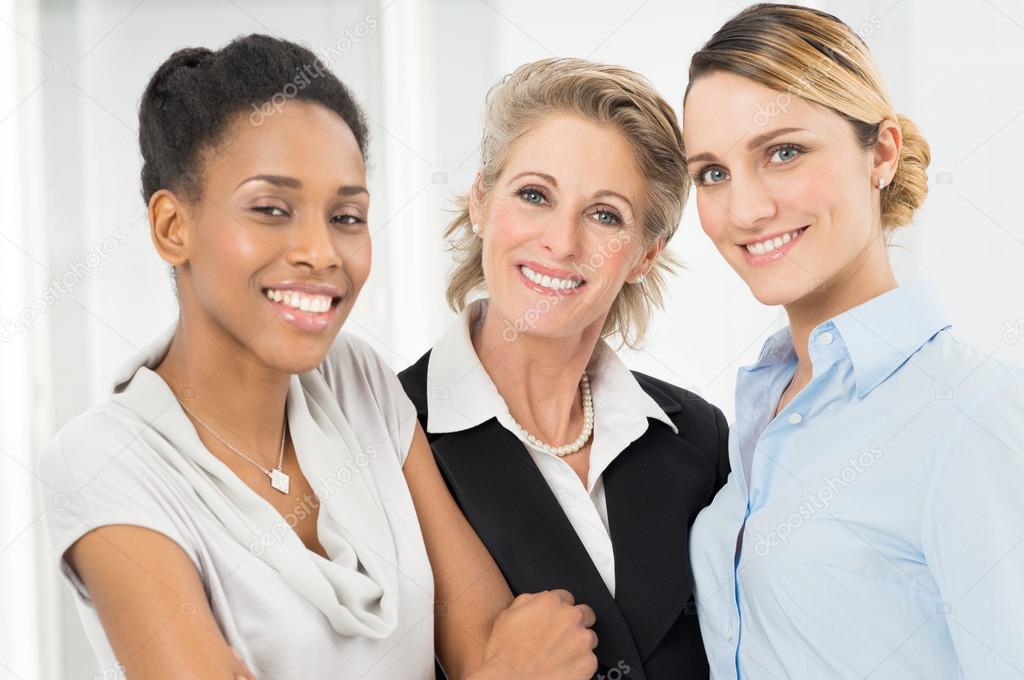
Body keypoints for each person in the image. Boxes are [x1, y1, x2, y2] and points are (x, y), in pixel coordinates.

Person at [37, 35, 598, 680]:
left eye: (346, 215)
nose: (320, 251)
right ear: (172, 228)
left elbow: (488, 636)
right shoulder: (105, 462)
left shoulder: (356, 379)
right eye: (271, 209)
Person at [681, 5, 1024, 678]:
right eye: (712, 173)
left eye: (783, 152)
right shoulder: (759, 407)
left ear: (882, 152)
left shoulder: (976, 416)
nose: (745, 209)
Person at [399, 58, 730, 679]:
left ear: (644, 255)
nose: (561, 242)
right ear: (480, 201)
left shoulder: (699, 439)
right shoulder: (383, 437)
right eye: (533, 195)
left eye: (605, 214)